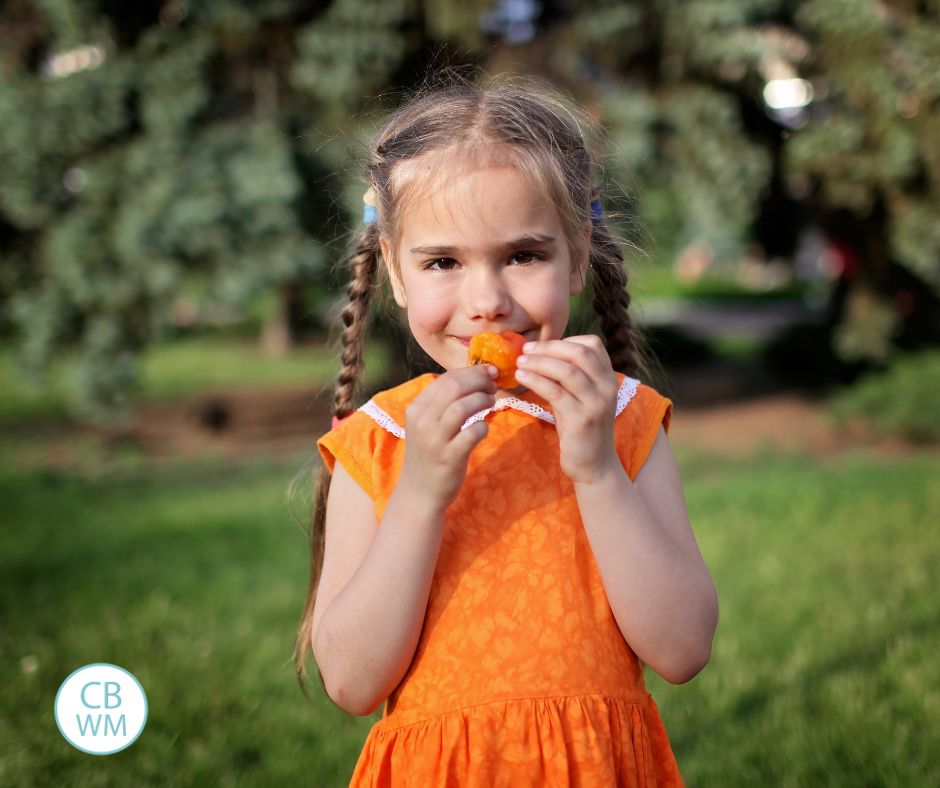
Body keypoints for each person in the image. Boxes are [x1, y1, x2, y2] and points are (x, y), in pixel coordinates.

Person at [292, 76, 719, 786]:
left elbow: (683, 649)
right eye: (442, 263)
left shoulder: (622, 420)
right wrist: (421, 493)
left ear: (578, 254)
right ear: (395, 273)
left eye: (522, 255)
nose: (487, 302)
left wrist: (597, 471)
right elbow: (352, 681)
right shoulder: (380, 441)